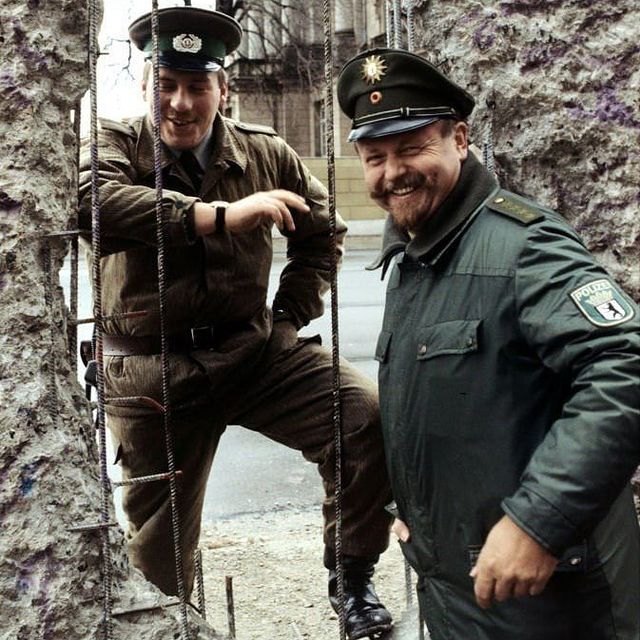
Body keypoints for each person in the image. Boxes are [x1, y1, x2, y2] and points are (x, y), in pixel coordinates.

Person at [78, 8, 393, 638]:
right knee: (158, 555)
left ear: (224, 88)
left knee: (363, 418)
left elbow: (322, 233)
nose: (181, 103)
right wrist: (216, 216)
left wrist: (289, 316)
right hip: (151, 374)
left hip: (254, 354)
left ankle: (352, 579)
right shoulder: (113, 143)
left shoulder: (264, 152)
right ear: (144, 84)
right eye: (166, 83)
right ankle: (172, 624)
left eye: (198, 86)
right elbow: (92, 203)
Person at [337, 47, 640, 639]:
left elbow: (624, 367)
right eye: (375, 157)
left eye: (412, 148)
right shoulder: (412, 260)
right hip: (459, 592)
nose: (393, 172)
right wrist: (416, 520)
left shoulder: (523, 246)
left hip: (552, 602)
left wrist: (537, 522)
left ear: (460, 138)